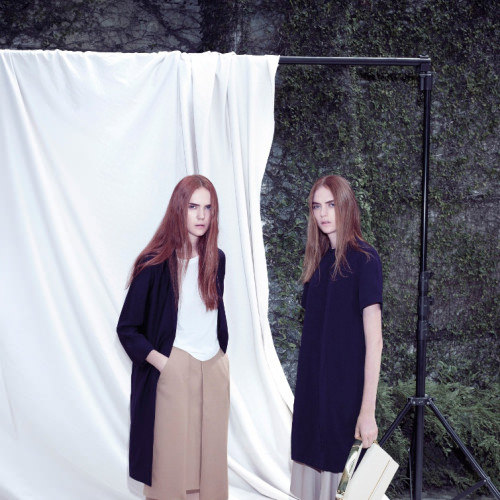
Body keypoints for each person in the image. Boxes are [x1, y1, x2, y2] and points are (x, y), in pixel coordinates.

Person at [117, 175, 230, 500]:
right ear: (179, 208)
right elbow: (127, 328)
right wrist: (164, 364)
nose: (201, 215)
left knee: (210, 467)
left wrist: (221, 357)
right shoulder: (154, 264)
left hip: (214, 369)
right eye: (193, 206)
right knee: (169, 469)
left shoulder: (217, 259)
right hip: (174, 367)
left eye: (208, 208)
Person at [290, 175, 383, 500]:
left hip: (345, 398)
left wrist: (367, 411)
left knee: (344, 488)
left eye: (331, 204)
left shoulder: (365, 259)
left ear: (346, 206)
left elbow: (375, 342)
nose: (323, 213)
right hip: (312, 396)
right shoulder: (316, 263)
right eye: (317, 206)